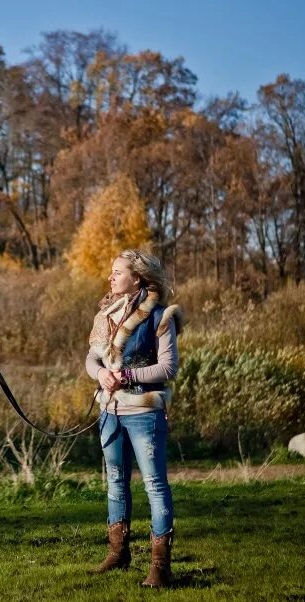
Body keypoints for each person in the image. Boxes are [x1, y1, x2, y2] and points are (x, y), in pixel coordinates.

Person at [86, 249, 183, 587]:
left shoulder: (160, 316)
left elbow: (169, 367)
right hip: (109, 412)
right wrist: (100, 375)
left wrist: (125, 377)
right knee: (116, 481)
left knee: (155, 486)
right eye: (111, 272)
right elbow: (91, 359)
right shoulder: (105, 314)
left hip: (144, 412)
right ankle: (118, 552)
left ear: (137, 279)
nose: (111, 277)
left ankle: (160, 566)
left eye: (117, 272)